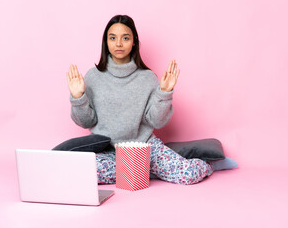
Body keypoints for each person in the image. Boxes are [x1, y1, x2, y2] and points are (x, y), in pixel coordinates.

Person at [66, 14, 214, 185]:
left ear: (134, 41)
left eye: (125, 38)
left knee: (188, 175)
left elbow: (157, 122)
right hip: (108, 153)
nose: (119, 44)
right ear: (106, 42)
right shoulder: (93, 77)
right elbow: (86, 122)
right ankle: (143, 171)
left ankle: (208, 164)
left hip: (145, 148)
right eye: (112, 38)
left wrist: (164, 93)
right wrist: (78, 97)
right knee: (82, 172)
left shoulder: (147, 77)